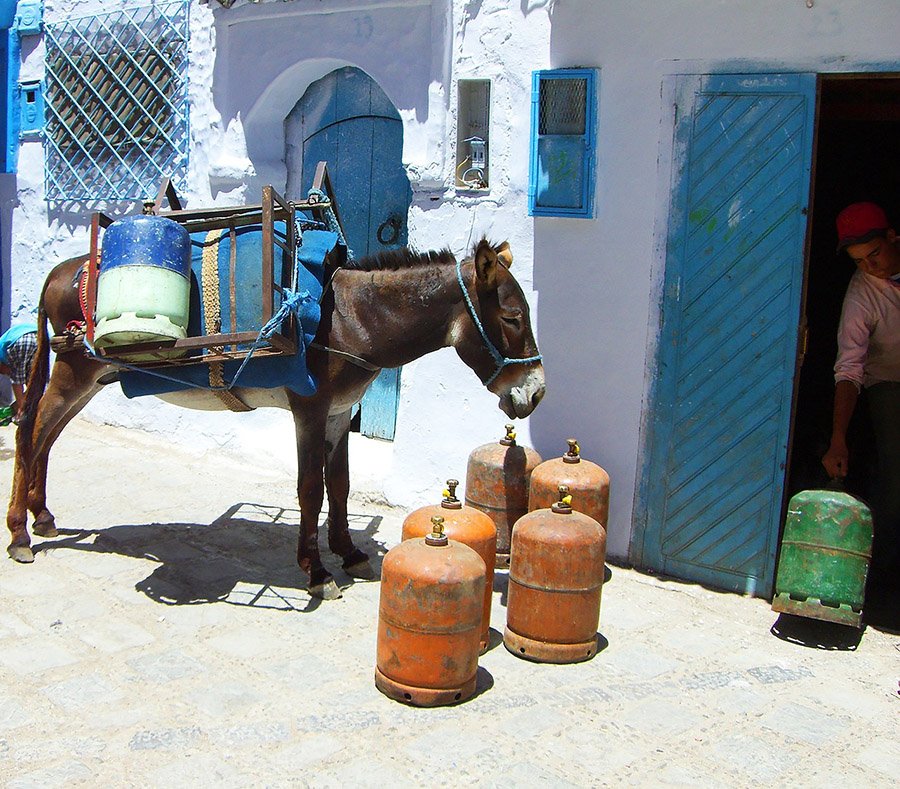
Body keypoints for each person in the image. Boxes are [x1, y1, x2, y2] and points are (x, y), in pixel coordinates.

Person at [822, 202, 900, 596]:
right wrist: (839, 437)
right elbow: (849, 369)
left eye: (875, 254)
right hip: (889, 381)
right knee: (895, 474)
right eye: (859, 262)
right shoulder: (861, 296)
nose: (871, 267)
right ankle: (883, 582)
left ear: (892, 237)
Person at [0, 323, 38, 420]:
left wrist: (21, 408)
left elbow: (17, 382)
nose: (5, 374)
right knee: (35, 383)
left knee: (18, 379)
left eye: (3, 372)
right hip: (41, 337)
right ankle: (31, 413)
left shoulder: (3, 355)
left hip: (23, 340)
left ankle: (23, 413)